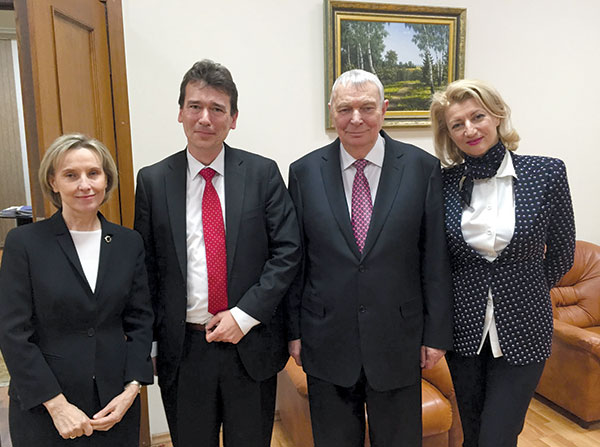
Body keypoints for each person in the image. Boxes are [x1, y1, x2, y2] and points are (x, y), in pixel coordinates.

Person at [134, 59, 301, 447]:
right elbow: (146, 271)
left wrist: (243, 317)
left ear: (234, 118)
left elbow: (287, 252)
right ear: (180, 112)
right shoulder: (153, 181)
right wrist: (152, 344)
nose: (205, 118)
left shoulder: (263, 174)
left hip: (250, 344)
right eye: (195, 106)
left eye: (217, 108)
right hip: (184, 349)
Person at [285, 69, 453, 446]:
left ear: (384, 110)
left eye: (367, 108)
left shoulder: (421, 168)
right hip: (325, 338)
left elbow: (435, 259)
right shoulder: (304, 172)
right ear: (332, 112)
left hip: (398, 338)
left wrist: (436, 333)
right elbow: (296, 260)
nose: (356, 118)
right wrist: (293, 331)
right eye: (345, 108)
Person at [429, 79, 575, 447]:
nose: (469, 129)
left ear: (497, 115)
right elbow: (437, 260)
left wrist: (526, 287)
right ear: (448, 134)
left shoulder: (546, 173)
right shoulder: (443, 183)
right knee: (473, 432)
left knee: (499, 435)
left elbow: (562, 251)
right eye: (456, 124)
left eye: (477, 117)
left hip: (526, 325)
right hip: (464, 331)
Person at [0, 133, 154, 446]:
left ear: (106, 180)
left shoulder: (128, 242)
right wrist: (56, 406)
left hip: (113, 408)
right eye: (71, 175)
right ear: (53, 182)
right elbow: (12, 332)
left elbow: (140, 322)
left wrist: (132, 389)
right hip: (45, 407)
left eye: (93, 173)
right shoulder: (25, 244)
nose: (84, 185)